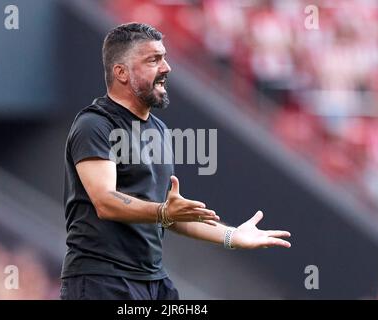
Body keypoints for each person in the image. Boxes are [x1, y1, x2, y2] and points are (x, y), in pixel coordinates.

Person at [60, 22, 291, 300]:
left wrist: (231, 236)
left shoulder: (158, 129)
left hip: (153, 281)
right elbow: (106, 202)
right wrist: (163, 213)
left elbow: (168, 214)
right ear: (121, 72)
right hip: (102, 281)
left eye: (165, 58)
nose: (166, 67)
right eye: (153, 60)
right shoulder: (95, 125)